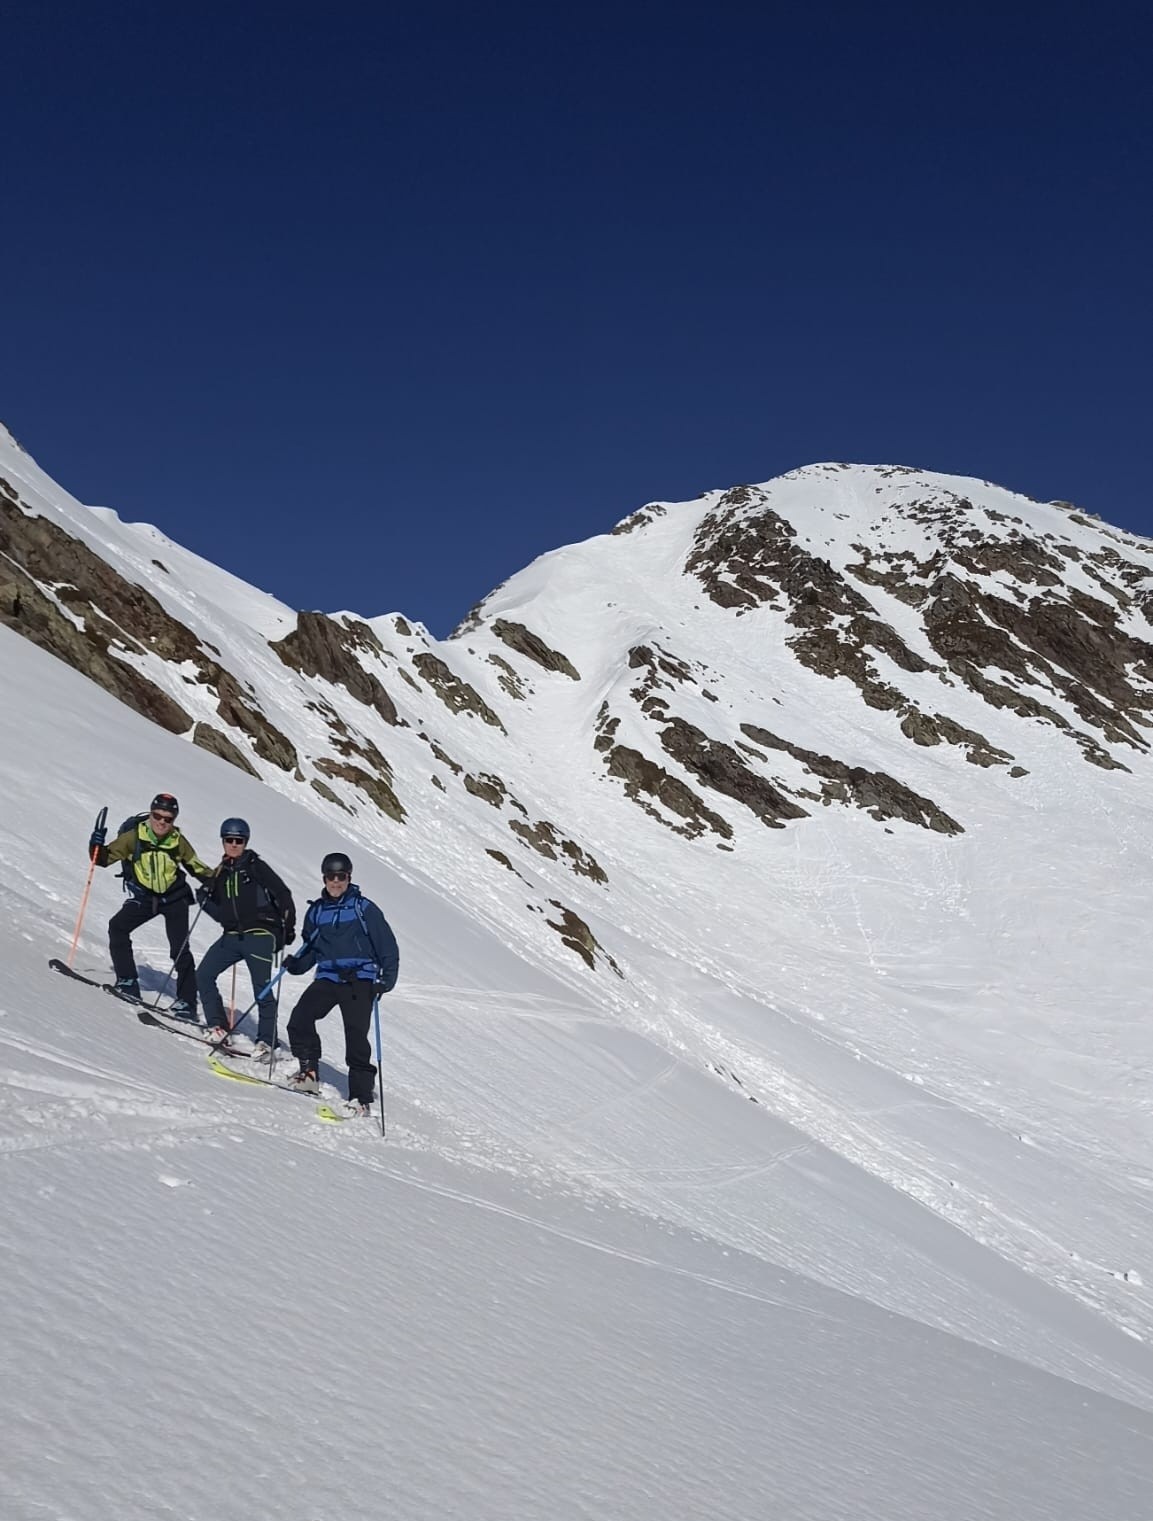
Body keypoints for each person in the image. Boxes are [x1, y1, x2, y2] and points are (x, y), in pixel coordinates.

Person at [281, 852, 399, 1117]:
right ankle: (309, 1072)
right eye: (331, 877)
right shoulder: (317, 911)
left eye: (341, 877)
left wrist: (385, 980)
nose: (336, 882)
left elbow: (387, 946)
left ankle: (361, 1098)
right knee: (299, 1019)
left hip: (361, 978)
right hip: (328, 976)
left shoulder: (364, 908)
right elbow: (311, 949)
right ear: (324, 878)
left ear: (349, 878)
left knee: (356, 1037)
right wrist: (297, 965)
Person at [89, 793, 215, 1019]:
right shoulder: (134, 837)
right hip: (145, 898)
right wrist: (95, 844)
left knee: (179, 950)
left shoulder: (178, 842)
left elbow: (197, 867)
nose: (162, 822)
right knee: (117, 927)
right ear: (151, 813)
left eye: (168, 818)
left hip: (175, 898)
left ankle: (187, 1002)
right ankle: (128, 981)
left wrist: (217, 880)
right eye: (157, 816)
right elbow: (102, 860)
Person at [195, 818, 296, 1060]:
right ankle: (217, 1026)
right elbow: (214, 901)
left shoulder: (255, 866)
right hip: (232, 935)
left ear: (245, 842)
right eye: (229, 840)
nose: (233, 844)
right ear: (223, 841)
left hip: (260, 934)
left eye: (238, 840)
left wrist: (288, 927)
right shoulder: (222, 870)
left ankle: (266, 1040)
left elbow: (282, 893)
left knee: (262, 988)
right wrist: (205, 898)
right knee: (203, 975)